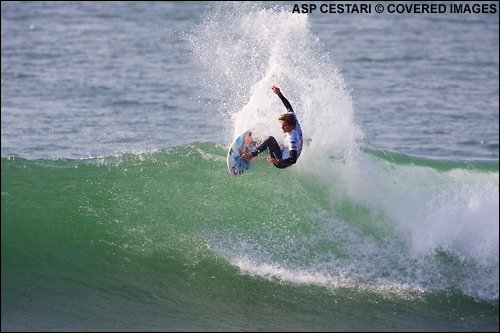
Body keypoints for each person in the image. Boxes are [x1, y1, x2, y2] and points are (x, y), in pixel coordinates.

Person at [240, 86, 303, 169]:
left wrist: (277, 161)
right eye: (282, 125)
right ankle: (256, 144)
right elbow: (289, 107)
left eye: (284, 126)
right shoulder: (294, 120)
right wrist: (279, 94)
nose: (282, 128)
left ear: (291, 126)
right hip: (289, 151)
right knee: (273, 139)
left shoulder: (292, 140)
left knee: (270, 139)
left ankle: (250, 156)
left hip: (281, 162)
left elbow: (293, 160)